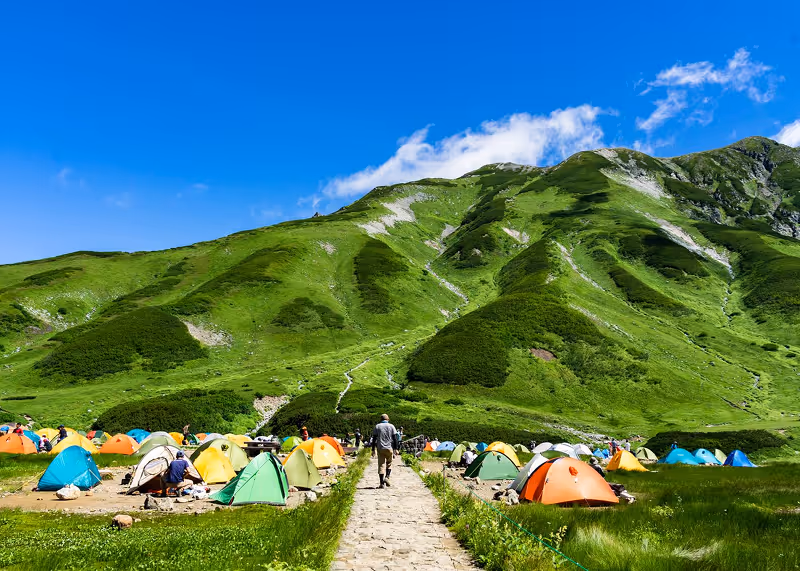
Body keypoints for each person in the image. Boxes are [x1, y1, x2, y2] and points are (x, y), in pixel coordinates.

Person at [371, 413, 398, 489]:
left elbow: (374, 439)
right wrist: (396, 449)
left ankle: (381, 483)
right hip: (389, 448)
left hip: (380, 448)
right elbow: (395, 438)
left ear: (381, 419)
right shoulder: (392, 426)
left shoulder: (377, 426)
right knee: (389, 463)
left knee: (381, 465)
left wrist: (373, 450)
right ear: (388, 419)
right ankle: (387, 477)